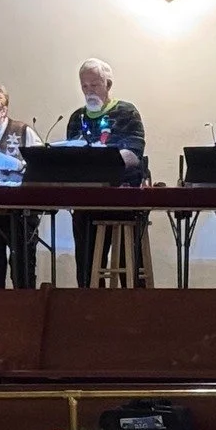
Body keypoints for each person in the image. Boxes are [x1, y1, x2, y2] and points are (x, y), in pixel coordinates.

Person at [67, 58, 149, 288]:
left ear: (108, 84)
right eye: (84, 86)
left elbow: (134, 154)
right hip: (88, 197)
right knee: (86, 256)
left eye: (95, 85)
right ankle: (88, 296)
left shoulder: (126, 112)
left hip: (123, 196)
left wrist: (101, 160)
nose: (89, 91)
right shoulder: (77, 118)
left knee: (127, 260)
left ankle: (131, 300)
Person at [0, 83, 42, 289]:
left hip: (21, 212)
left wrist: (19, 165)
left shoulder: (22, 131)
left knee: (23, 269)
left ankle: (27, 312)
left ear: (4, 109)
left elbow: (41, 168)